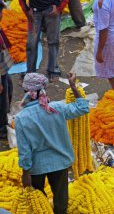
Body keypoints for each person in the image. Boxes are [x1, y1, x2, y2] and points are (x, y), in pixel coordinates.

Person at [15, 72, 89, 214]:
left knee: (38, 200)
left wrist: (25, 173)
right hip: (60, 162)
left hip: (36, 167)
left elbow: (24, 151)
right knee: (61, 198)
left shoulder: (21, 118)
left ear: (25, 91)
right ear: (43, 90)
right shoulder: (57, 108)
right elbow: (83, 108)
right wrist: (73, 86)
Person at [18, 0, 71, 82]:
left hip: (51, 11)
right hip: (34, 12)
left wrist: (59, 7)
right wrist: (26, 10)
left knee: (53, 41)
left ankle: (52, 70)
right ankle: (30, 73)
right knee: (31, 43)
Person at [0, 0, 13, 140]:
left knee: (9, 86)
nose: (2, 16)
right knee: (2, 97)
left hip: (3, 69)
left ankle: (5, 116)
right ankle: (2, 128)